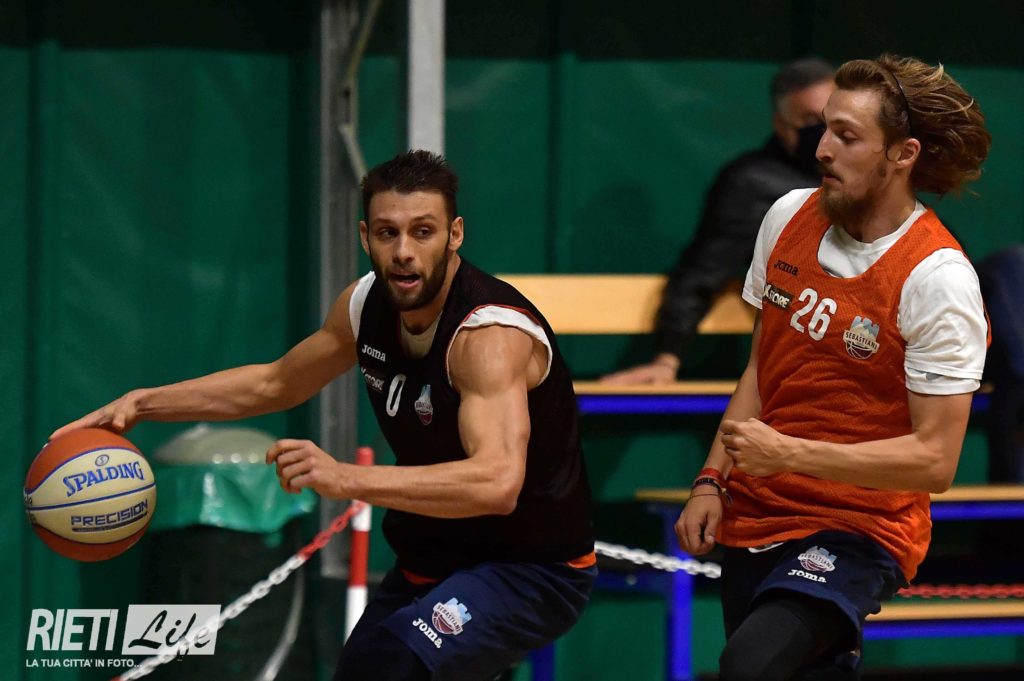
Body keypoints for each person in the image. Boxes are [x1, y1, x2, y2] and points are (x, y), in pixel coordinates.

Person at [51, 150, 596, 681]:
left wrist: (343, 478)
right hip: (432, 561)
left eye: (423, 232)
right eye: (387, 233)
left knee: (395, 662)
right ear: (365, 237)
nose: (403, 252)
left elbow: (496, 483)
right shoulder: (364, 305)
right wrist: (143, 403)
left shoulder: (487, 337)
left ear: (455, 234)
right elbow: (276, 383)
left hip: (531, 570)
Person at [675, 54, 991, 680]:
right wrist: (711, 479)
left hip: (859, 526)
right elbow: (761, 369)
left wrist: (790, 454)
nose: (822, 149)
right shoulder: (787, 216)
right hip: (757, 510)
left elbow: (936, 460)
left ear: (902, 154)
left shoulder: (938, 278)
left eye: (846, 136)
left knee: (750, 665)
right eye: (824, 128)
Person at [603, 58, 835, 385]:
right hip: (807, 353)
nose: (824, 134)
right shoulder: (753, 184)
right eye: (811, 120)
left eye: (833, 120)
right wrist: (667, 358)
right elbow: (702, 269)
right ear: (780, 123)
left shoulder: (862, 177)